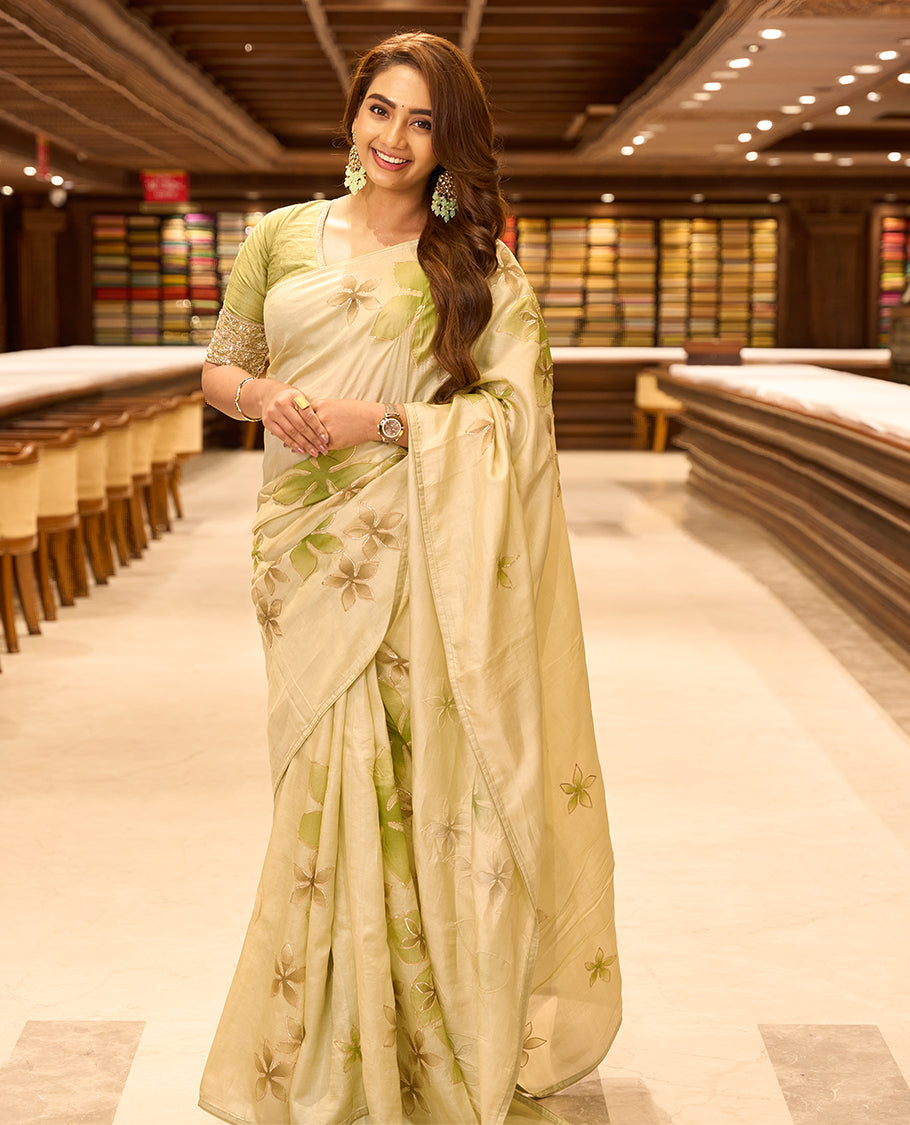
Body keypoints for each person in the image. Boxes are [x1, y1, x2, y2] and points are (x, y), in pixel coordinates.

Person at [198, 31, 621, 1125]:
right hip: (305, 550)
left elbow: (512, 422)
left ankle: (426, 1046)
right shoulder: (278, 236)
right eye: (380, 109)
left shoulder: (477, 266)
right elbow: (221, 367)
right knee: (321, 785)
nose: (394, 137)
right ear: (353, 113)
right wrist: (262, 399)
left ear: (449, 143)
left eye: (423, 121)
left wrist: (383, 422)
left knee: (424, 789)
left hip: (426, 559)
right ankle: (328, 1048)